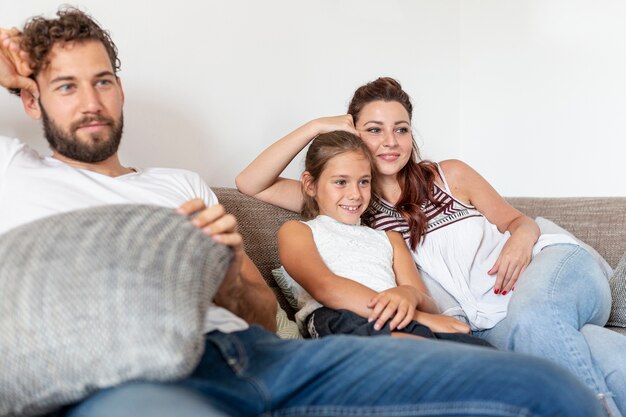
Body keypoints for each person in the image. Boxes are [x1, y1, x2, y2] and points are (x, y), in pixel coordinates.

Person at [0, 10, 606, 417]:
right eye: (65, 86)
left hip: (265, 357)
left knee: (543, 386)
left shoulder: (179, 185)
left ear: (121, 88)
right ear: (30, 98)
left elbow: (265, 315)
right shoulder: (16, 173)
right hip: (144, 375)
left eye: (102, 81)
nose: (90, 102)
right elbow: (278, 211)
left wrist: (233, 270)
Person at [236, 76, 626, 416]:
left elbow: (516, 222)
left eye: (401, 129)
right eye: (374, 130)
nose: (391, 142)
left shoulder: (449, 174)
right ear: (354, 135)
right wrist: (317, 127)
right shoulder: (355, 207)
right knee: (607, 360)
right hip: (494, 317)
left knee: (536, 315)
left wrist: (521, 239)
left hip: (551, 269)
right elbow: (251, 183)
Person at [278, 129, 490, 348]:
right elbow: (326, 288)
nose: (355, 194)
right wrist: (421, 318)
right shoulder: (298, 231)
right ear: (310, 184)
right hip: (339, 318)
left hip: (399, 319)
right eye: (341, 182)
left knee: (486, 353)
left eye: (363, 182)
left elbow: (427, 303)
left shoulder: (389, 238)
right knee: (419, 350)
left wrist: (409, 294)